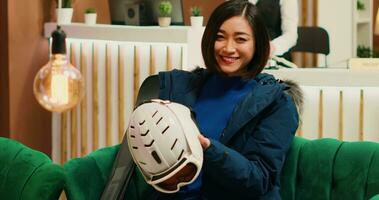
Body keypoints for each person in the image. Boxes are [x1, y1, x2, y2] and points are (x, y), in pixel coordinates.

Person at [143, 0, 301, 199]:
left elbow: (258, 180)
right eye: (220, 37)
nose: (228, 48)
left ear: (258, 44)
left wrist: (208, 148)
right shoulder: (182, 88)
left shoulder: (276, 104)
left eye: (241, 39)